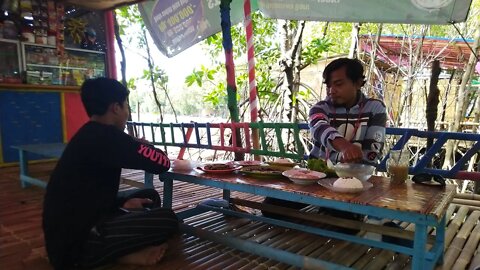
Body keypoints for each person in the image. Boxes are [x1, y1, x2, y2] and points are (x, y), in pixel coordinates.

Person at [42, 78, 179, 270]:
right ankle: (121, 255)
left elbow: (86, 194)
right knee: (167, 219)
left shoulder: (90, 133)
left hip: (72, 226)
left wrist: (121, 203)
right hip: (76, 247)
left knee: (149, 196)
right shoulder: (109, 137)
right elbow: (162, 162)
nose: (126, 113)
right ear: (115, 108)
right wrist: (139, 144)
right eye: (125, 107)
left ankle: (118, 244)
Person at [262, 58, 387, 224]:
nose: (331, 90)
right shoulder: (320, 108)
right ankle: (320, 216)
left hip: (352, 184)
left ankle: (329, 215)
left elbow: (373, 150)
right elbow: (319, 127)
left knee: (345, 224)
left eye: (338, 84)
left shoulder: (375, 108)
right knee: (270, 208)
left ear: (357, 83)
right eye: (328, 85)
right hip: (315, 180)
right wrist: (344, 146)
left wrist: (354, 163)